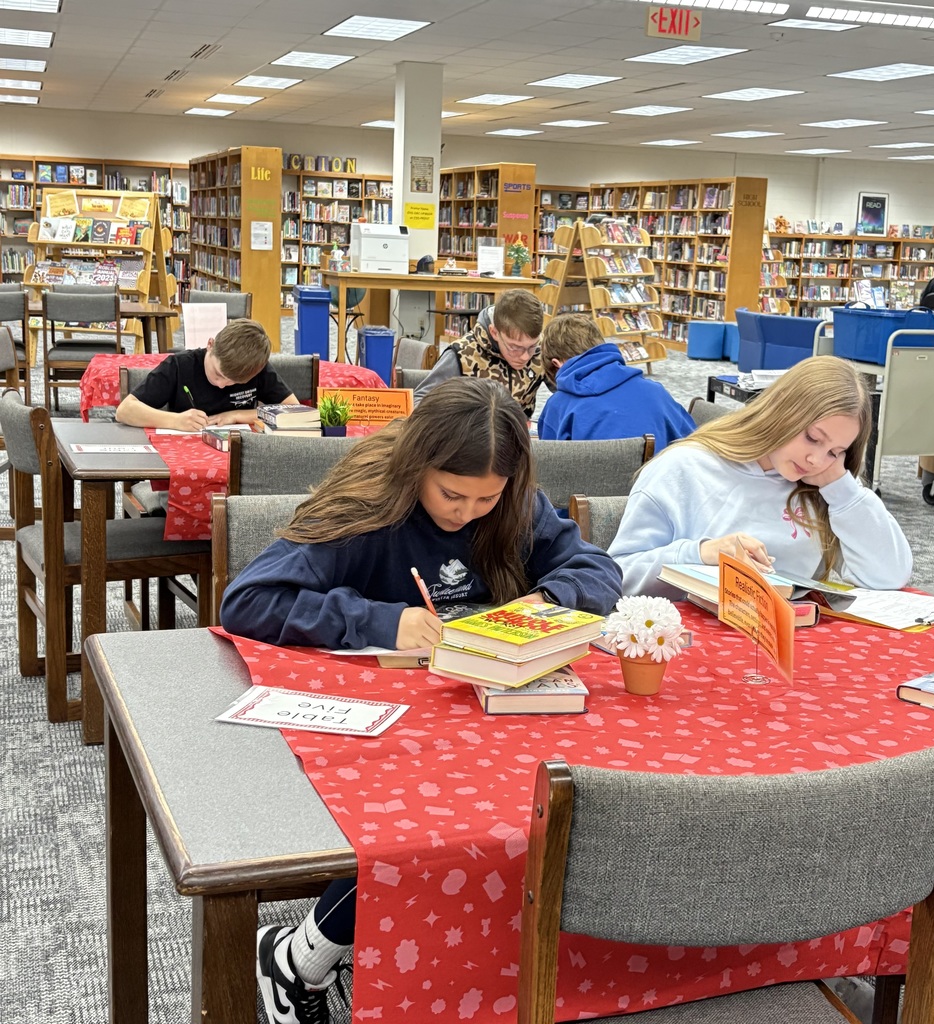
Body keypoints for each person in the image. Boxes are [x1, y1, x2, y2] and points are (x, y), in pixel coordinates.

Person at [219, 377, 622, 1024]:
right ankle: (299, 957)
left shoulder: (513, 504)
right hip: (386, 724)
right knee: (443, 814)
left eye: (486, 498)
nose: (466, 512)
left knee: (564, 787)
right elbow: (247, 602)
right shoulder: (371, 499)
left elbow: (598, 570)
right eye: (451, 493)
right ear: (417, 466)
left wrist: (544, 606)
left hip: (479, 708)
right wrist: (381, 621)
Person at [608, 355, 912, 597]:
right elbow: (618, 575)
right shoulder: (685, 467)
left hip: (795, 643)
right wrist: (700, 553)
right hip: (695, 643)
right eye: (812, 438)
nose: (817, 459)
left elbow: (888, 575)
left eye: (836, 451)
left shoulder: (825, 480)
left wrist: (841, 489)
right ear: (782, 413)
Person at [537, 312, 696, 451]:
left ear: (557, 364)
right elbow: (694, 442)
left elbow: (550, 470)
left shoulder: (557, 407)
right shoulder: (656, 392)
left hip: (592, 485)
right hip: (656, 483)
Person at [114, 318, 297, 430]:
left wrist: (237, 415)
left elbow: (294, 412)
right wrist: (176, 420)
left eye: (234, 382)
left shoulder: (256, 367)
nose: (221, 385)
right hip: (184, 457)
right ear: (210, 344)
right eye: (218, 373)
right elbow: (124, 411)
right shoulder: (180, 366)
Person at [412, 288, 545, 416]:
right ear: (494, 332)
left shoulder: (543, 349)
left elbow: (564, 387)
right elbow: (419, 402)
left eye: (532, 346)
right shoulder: (462, 354)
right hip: (472, 434)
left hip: (520, 433)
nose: (525, 356)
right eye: (515, 348)